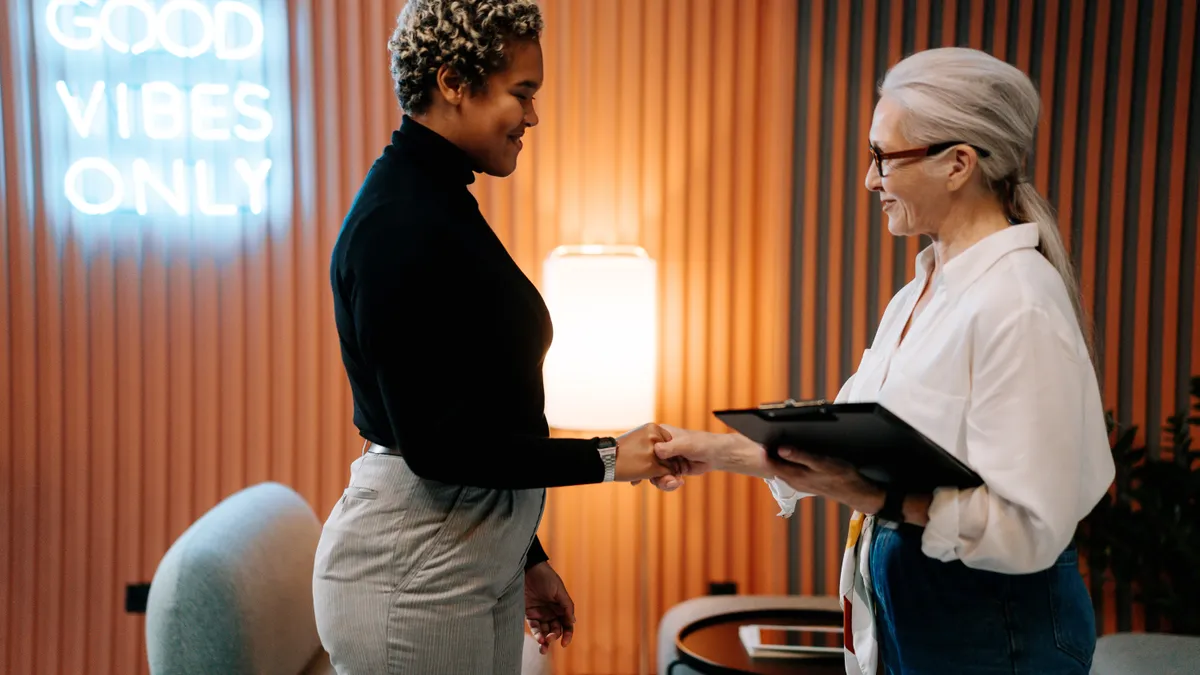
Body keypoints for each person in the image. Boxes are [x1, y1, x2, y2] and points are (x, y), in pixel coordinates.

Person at [654, 47, 1115, 675]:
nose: (870, 180)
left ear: (958, 164)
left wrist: (875, 496)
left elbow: (1030, 529)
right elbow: (843, 448)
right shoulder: (919, 293)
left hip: (991, 632)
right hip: (922, 621)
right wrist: (709, 449)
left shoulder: (1018, 304)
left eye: (882, 157)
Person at [312, 2, 680, 673]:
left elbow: (479, 409)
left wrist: (525, 553)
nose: (533, 116)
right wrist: (607, 456)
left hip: (463, 547)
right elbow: (439, 445)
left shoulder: (439, 201)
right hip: (413, 571)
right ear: (454, 82)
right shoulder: (398, 222)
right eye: (522, 92)